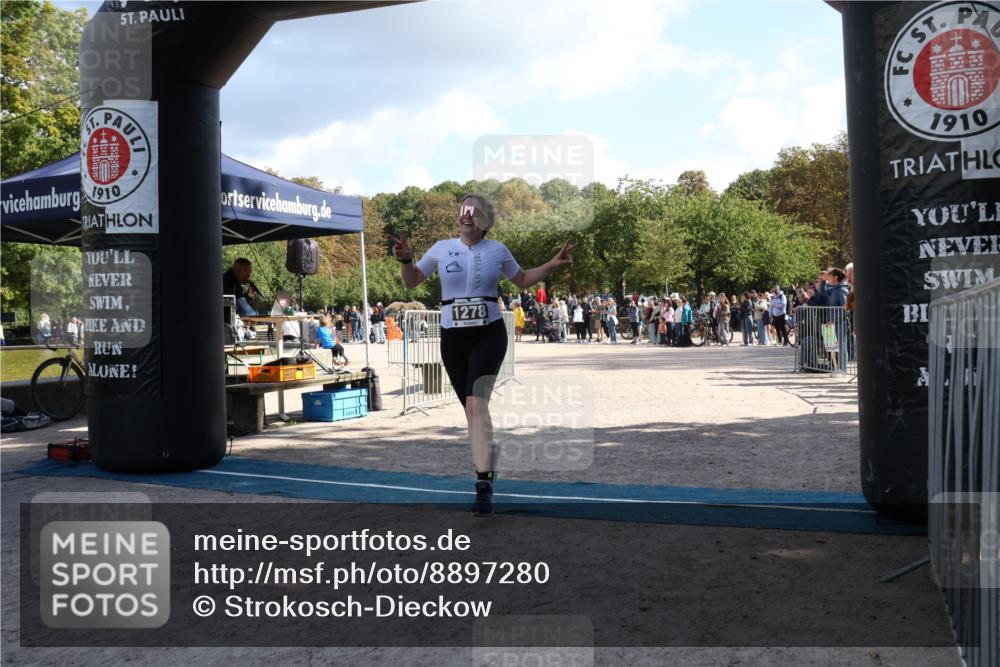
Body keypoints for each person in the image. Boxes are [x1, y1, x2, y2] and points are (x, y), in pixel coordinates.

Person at [391, 194, 574, 515]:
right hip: (452, 335)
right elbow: (412, 283)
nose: (468, 216)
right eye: (463, 211)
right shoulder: (440, 247)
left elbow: (521, 279)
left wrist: (551, 264)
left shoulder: (497, 250)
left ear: (485, 221)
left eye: (475, 213)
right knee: (471, 412)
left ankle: (483, 483)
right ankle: (487, 456)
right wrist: (406, 260)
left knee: (477, 404)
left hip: (488, 332)